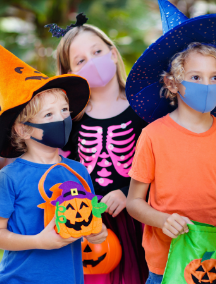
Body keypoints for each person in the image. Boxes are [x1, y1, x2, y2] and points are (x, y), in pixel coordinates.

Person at [126, 0, 216, 284]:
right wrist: (163, 221)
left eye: (215, 78)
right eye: (195, 76)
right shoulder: (152, 136)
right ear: (172, 82)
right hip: (165, 266)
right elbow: (134, 203)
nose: (206, 85)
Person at [0, 39, 107, 284]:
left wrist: (97, 232)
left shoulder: (79, 171)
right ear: (23, 130)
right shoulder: (10, 177)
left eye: (64, 111)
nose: (61, 119)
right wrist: (38, 241)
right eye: (49, 115)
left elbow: (88, 219)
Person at [48, 14, 149, 284]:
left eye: (97, 52)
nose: (92, 62)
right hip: (90, 226)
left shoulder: (144, 109)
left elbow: (162, 166)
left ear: (113, 54)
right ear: (70, 73)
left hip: (140, 221)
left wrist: (129, 193)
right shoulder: (70, 120)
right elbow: (61, 172)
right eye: (80, 60)